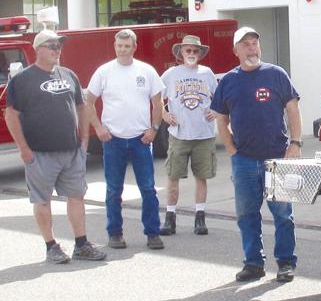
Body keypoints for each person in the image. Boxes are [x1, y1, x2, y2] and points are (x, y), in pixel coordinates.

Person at [4, 29, 106, 263]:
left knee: (77, 196)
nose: (56, 50)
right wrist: (24, 149)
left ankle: (81, 244)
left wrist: (84, 140)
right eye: (51, 46)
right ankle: (51, 246)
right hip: (39, 153)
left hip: (71, 151)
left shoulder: (68, 74)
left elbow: (82, 106)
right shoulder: (22, 79)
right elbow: (11, 115)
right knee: (42, 199)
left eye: (58, 46)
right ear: (38, 49)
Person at [211, 27, 302, 283]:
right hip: (244, 160)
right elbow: (221, 118)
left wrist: (295, 143)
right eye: (246, 44)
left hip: (277, 158)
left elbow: (293, 109)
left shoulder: (276, 74)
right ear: (236, 50)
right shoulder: (229, 81)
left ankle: (285, 263)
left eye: (255, 43)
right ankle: (253, 263)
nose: (252, 48)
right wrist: (230, 148)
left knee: (283, 215)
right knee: (247, 214)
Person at [85, 29, 165, 250]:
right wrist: (98, 128)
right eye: (119, 46)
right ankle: (115, 233)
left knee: (148, 188)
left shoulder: (146, 71)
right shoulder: (104, 71)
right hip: (113, 140)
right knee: (113, 189)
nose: (122, 49)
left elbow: (158, 103)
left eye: (126, 46)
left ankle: (152, 233)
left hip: (141, 139)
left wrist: (154, 129)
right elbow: (88, 101)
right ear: (114, 46)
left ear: (134, 47)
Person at [159, 35, 218, 236]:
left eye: (195, 50)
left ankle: (200, 218)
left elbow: (219, 97)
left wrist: (217, 111)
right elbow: (156, 95)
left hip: (204, 135)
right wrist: (164, 113)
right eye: (188, 50)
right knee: (173, 176)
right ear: (181, 53)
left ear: (200, 53)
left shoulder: (207, 73)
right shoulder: (171, 74)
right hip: (179, 135)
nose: (191, 54)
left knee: (202, 177)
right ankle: (170, 218)